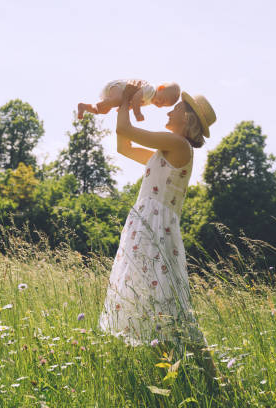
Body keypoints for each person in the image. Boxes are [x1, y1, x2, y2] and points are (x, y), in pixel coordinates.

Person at [97, 80, 224, 391]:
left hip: (156, 231)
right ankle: (191, 381)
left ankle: (209, 383)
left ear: (189, 120)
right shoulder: (165, 150)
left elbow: (127, 132)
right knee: (159, 305)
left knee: (172, 307)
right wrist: (122, 105)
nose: (171, 109)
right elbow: (122, 146)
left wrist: (126, 101)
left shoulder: (177, 145)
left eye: (178, 107)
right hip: (147, 227)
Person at [77, 79, 181, 121]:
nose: (160, 104)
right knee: (118, 99)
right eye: (162, 99)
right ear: (161, 88)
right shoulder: (151, 90)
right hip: (118, 87)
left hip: (117, 94)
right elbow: (136, 98)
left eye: (163, 105)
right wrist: (137, 114)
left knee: (104, 111)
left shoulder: (150, 99)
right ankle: (98, 105)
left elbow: (134, 102)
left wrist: (128, 107)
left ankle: (85, 107)